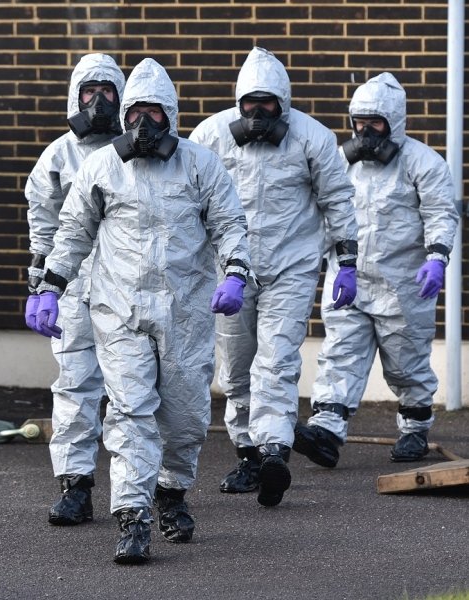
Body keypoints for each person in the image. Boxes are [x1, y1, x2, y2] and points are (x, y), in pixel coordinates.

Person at [30, 57, 251, 564]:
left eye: (154, 113)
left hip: (187, 311)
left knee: (186, 414)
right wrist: (49, 287)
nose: (143, 125)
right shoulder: (101, 165)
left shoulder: (200, 165)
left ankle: (171, 495)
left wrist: (236, 273)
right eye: (136, 114)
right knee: (130, 411)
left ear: (170, 114)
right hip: (119, 309)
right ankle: (131, 517)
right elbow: (72, 232)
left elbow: (230, 224)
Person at [188, 47, 358, 507]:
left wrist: (347, 262)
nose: (257, 112)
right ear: (238, 100)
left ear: (282, 101)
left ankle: (275, 451)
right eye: (250, 103)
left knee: (277, 360)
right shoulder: (211, 136)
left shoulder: (312, 138)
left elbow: (338, 200)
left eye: (267, 102)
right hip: (229, 273)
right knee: (237, 364)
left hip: (291, 267)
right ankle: (248, 453)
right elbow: (186, 198)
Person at [293, 73, 458, 467]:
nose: (366, 132)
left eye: (376, 123)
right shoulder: (339, 162)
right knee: (339, 354)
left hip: (405, 285)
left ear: (394, 122)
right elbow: (322, 211)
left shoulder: (422, 163)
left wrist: (437, 257)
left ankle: (415, 430)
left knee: (407, 365)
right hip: (349, 279)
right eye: (360, 122)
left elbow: (440, 213)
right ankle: (327, 431)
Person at [23, 53, 125, 530]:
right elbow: (42, 229)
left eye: (108, 91)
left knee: (136, 391)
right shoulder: (58, 157)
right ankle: (75, 485)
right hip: (72, 286)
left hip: (129, 286)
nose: (99, 101)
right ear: (75, 96)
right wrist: (39, 286)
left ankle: (147, 490)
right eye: (90, 92)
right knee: (74, 385)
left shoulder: (141, 151)